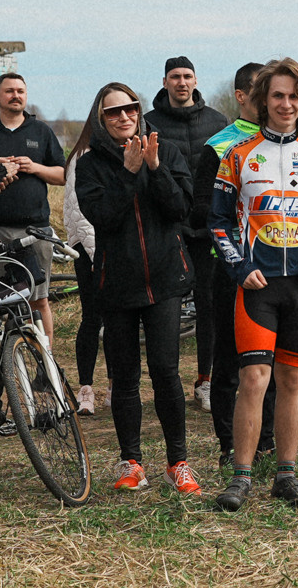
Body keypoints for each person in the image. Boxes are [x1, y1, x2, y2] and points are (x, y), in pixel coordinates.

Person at [209, 59, 298, 514]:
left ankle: (287, 476)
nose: (287, 104)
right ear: (263, 100)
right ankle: (241, 477)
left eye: (294, 96)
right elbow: (218, 222)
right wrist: (239, 267)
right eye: (278, 95)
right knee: (253, 378)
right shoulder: (238, 155)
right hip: (257, 286)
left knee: (293, 380)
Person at [75, 83, 198, 494]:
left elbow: (180, 208)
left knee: (166, 372)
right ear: (101, 119)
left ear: (139, 112)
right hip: (117, 283)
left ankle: (178, 463)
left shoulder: (167, 152)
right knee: (124, 377)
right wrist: (128, 173)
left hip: (165, 280)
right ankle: (132, 462)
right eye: (113, 112)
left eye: (130, 108)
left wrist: (155, 168)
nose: (123, 117)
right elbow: (103, 217)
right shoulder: (90, 165)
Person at [144, 57, 228, 407]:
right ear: (164, 82)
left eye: (187, 76)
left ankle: (206, 380)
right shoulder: (149, 123)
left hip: (208, 230)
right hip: (169, 229)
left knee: (209, 306)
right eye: (175, 77)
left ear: (195, 81)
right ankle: (168, 382)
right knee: (168, 309)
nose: (182, 82)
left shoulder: (218, 122)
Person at [191, 63, 262, 465]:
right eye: (262, 90)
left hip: (277, 264)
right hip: (231, 266)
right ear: (241, 95)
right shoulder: (219, 146)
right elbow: (200, 208)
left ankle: (265, 441)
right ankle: (227, 444)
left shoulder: (287, 140)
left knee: (269, 361)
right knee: (230, 360)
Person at [0, 71, 66, 341]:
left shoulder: (41, 131)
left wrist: (35, 167)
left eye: (20, 91)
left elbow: (62, 175)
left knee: (38, 300)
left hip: (34, 232)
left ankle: (45, 359)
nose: (15, 96)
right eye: (9, 91)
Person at [63, 132, 102, 417]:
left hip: (119, 248)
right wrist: (95, 254)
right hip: (89, 250)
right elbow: (79, 211)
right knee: (92, 318)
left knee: (119, 321)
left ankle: (115, 386)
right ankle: (86, 387)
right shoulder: (82, 156)